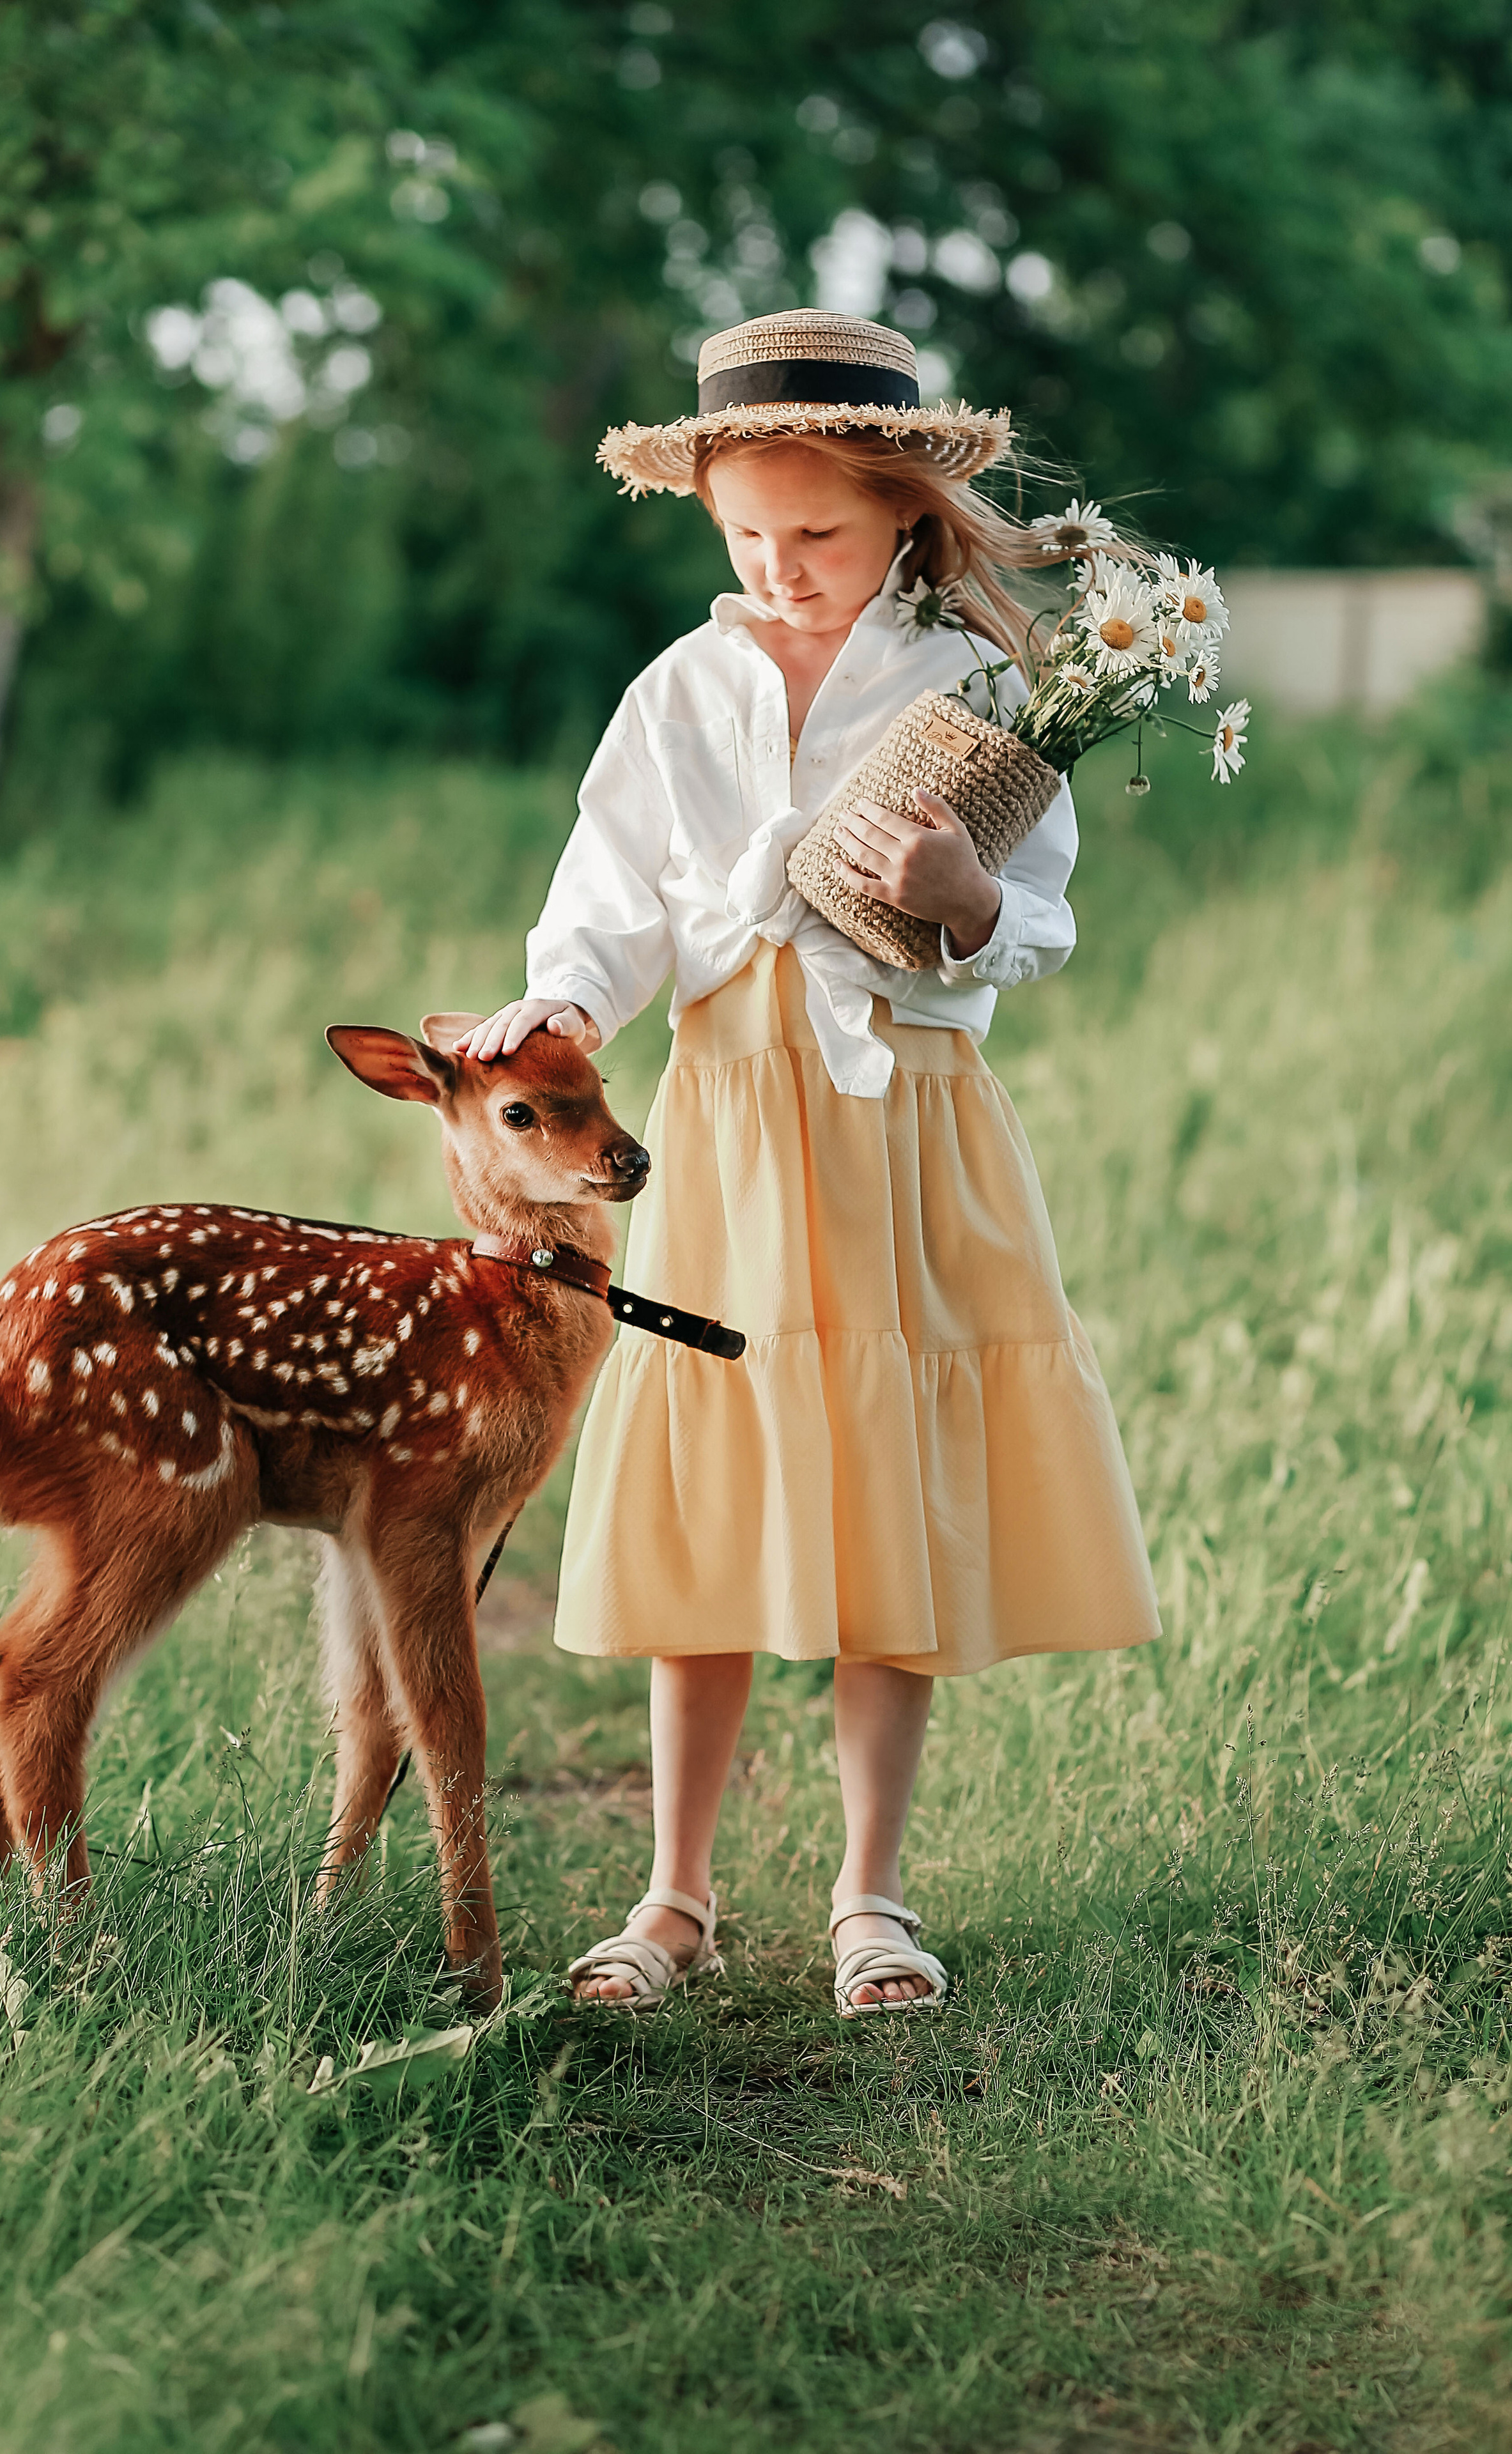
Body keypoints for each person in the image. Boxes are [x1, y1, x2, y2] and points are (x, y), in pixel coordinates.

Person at [458, 311, 1159, 2014]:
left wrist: (964, 900)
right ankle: (674, 1895)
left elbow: (1039, 918)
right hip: (725, 1125)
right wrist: (560, 1000)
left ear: (905, 509)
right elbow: (610, 897)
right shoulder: (683, 691)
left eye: (819, 536)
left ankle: (870, 1896)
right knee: (714, 1476)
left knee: (884, 1486)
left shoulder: (977, 686)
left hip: (898, 1120)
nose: (780, 568)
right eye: (749, 535)